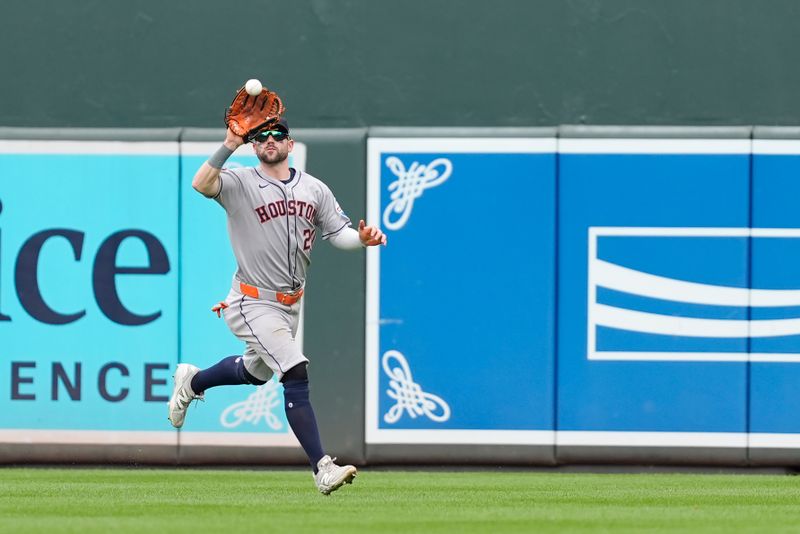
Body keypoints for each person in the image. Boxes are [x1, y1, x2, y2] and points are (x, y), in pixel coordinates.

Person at [168, 117, 387, 495]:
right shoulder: (239, 181)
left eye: (277, 134)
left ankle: (193, 380)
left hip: (289, 305)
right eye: (261, 136)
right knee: (294, 369)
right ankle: (322, 467)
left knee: (257, 373)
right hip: (252, 302)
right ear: (254, 147)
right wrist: (229, 143)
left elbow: (339, 233)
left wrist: (363, 240)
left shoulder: (314, 188)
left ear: (290, 142)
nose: (269, 140)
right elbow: (201, 183)